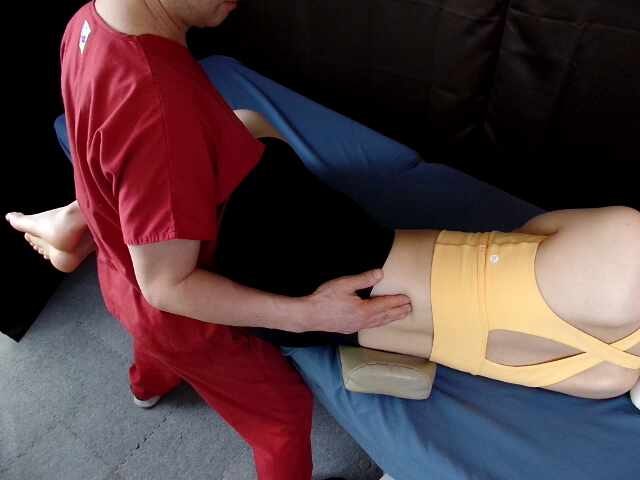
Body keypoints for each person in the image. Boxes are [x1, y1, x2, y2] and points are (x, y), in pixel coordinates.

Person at [6, 1, 418, 479]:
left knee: (242, 126)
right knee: (283, 417)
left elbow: (112, 156)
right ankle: (80, 234)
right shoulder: (157, 105)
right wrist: (308, 314)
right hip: (181, 314)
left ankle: (145, 383)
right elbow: (168, 286)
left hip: (121, 273)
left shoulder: (90, 21)